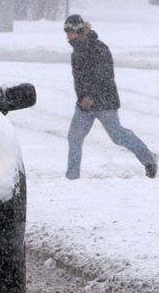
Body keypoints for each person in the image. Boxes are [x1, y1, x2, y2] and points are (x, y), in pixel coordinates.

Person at [63, 14, 157, 180]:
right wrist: (83, 98)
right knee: (74, 137)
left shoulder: (99, 48)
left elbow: (104, 76)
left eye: (70, 31)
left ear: (80, 30)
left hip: (105, 102)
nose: (68, 35)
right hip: (84, 106)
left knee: (118, 136)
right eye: (66, 31)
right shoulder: (76, 53)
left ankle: (149, 160)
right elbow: (78, 80)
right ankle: (72, 178)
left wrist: (91, 96)